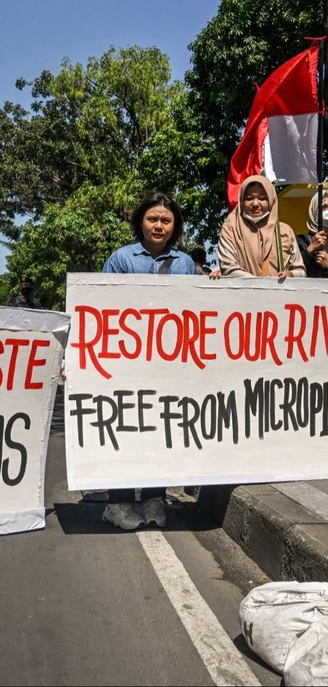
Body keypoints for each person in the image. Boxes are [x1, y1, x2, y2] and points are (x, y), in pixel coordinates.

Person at [101, 191, 196, 530]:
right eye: (153, 219)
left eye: (166, 220)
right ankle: (118, 502)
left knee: (160, 428)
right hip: (127, 362)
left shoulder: (185, 264)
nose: (159, 225)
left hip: (168, 364)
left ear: (175, 226)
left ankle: (155, 498)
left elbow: (195, 310)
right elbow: (101, 308)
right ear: (141, 222)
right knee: (125, 427)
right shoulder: (121, 259)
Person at [217, 175, 306, 279]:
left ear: (271, 200)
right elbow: (228, 268)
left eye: (262, 198)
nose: (255, 204)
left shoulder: (284, 231)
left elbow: (301, 272)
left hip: (278, 294)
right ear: (241, 200)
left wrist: (289, 274)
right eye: (249, 198)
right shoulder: (231, 228)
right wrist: (260, 285)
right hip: (242, 293)